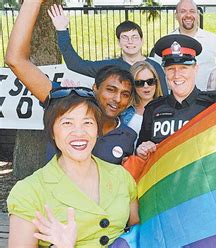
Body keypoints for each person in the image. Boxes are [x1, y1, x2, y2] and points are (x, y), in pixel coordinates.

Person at [6, 0, 136, 165]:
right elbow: (16, 60)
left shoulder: (128, 136)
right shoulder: (66, 103)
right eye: (110, 89)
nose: (117, 99)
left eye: (125, 94)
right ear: (95, 88)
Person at [7, 88, 139, 247]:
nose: (79, 132)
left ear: (98, 130)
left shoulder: (121, 176)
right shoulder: (29, 191)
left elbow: (138, 231)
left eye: (87, 122)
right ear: (52, 133)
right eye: (67, 123)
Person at [135, 34, 216, 160]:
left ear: (196, 69)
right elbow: (140, 152)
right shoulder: (153, 109)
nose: (177, 75)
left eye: (183, 68)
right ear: (165, 72)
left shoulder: (213, 106)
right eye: (171, 69)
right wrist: (141, 150)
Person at [47, 4, 169, 96]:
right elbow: (76, 64)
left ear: (142, 41)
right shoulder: (110, 67)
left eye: (134, 37)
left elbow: (164, 97)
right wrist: (62, 30)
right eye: (125, 38)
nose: (130, 42)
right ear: (118, 42)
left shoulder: (154, 67)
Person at [154, 0, 216, 91]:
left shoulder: (214, 41)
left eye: (192, 11)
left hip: (208, 100)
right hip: (174, 101)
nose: (188, 15)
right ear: (176, 16)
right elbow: (158, 73)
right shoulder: (166, 43)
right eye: (183, 11)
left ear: (197, 15)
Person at [121, 61, 164, 143]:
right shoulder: (123, 111)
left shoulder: (168, 108)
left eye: (150, 81)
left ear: (156, 82)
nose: (146, 86)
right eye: (139, 83)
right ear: (132, 85)